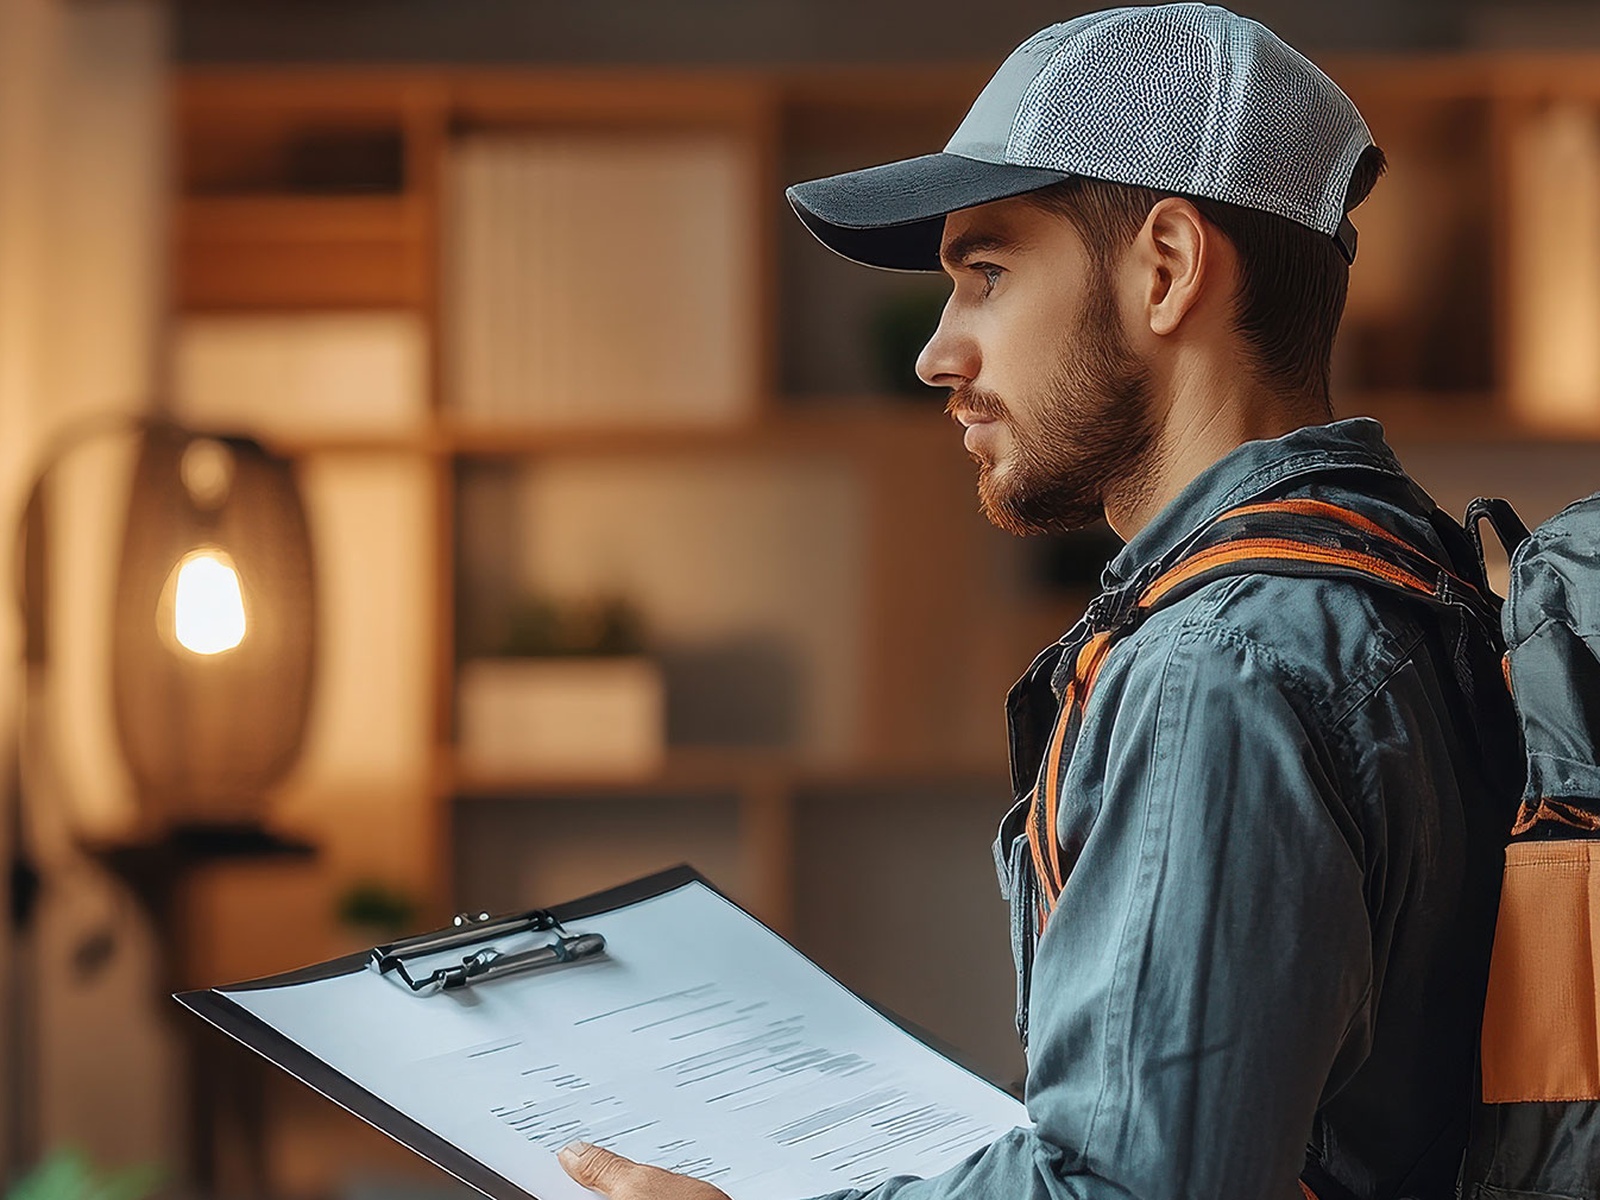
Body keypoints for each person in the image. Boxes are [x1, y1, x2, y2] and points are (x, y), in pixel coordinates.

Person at [559, 5, 1523, 1197]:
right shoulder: (1417, 586)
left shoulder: (1216, 668)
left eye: (988, 273)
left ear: (1165, 269)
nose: (937, 354)